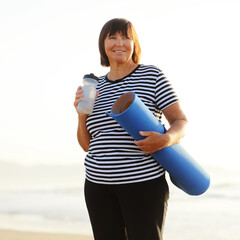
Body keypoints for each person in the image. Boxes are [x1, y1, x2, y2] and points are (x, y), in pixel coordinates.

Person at [73, 18, 187, 240]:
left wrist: (166, 139)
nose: (119, 43)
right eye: (112, 37)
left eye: (126, 37)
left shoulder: (151, 76)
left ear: (134, 44)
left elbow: (181, 122)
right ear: (103, 45)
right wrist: (80, 116)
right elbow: (88, 145)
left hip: (142, 183)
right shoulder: (95, 88)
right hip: (98, 186)